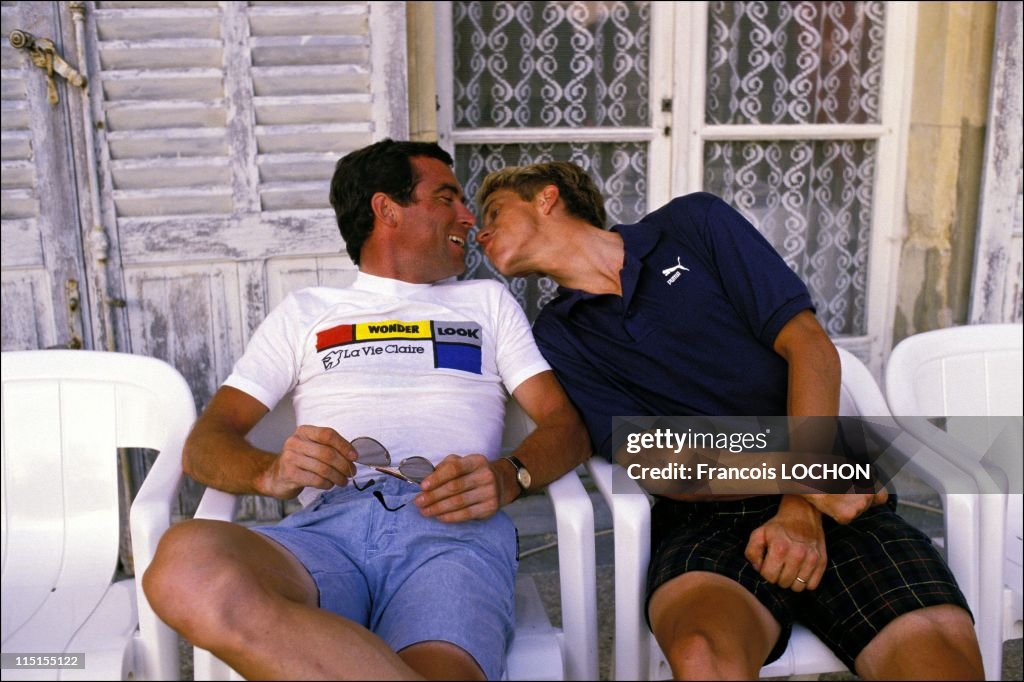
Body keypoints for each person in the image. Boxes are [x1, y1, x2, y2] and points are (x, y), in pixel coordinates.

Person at [474, 161, 984, 680]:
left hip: (836, 489)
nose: (479, 230)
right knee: (700, 652)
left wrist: (799, 502)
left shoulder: (693, 224)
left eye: (493, 211)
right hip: (712, 514)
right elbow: (654, 459)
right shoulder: (560, 334)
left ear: (546, 198)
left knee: (939, 662)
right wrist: (806, 479)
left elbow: (809, 347)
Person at [143, 140, 590, 681]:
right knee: (184, 566)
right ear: (387, 209)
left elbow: (566, 427)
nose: (469, 218)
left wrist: (509, 475)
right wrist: (271, 471)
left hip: (450, 532)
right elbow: (205, 445)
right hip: (325, 529)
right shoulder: (306, 312)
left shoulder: (486, 305)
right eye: (446, 197)